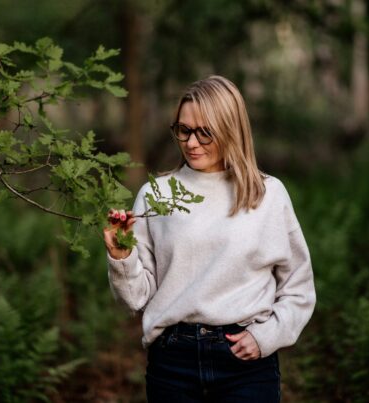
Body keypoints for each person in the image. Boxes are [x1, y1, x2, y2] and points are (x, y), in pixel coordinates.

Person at [103, 75, 316, 402]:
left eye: (205, 132)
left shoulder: (267, 194)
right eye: (183, 130)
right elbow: (136, 299)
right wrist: (122, 257)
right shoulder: (156, 195)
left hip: (245, 364)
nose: (191, 142)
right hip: (172, 361)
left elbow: (298, 287)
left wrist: (265, 337)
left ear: (231, 129)